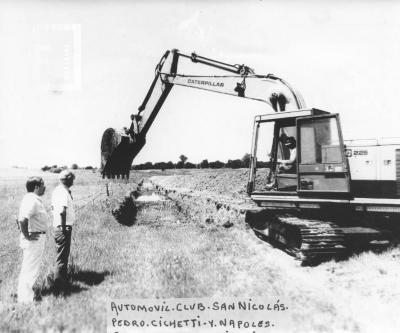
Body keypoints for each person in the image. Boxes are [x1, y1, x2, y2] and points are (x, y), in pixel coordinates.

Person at [17, 177, 49, 303]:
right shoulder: (31, 200)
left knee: (31, 268)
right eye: (42, 184)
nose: (44, 187)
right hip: (34, 239)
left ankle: (25, 297)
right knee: (30, 269)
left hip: (37, 238)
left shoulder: (33, 199)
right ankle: (25, 300)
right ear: (36, 187)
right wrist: (27, 236)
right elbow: (22, 219)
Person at [51, 170, 75, 286]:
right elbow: (62, 211)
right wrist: (64, 228)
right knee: (62, 257)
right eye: (72, 179)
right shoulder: (62, 192)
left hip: (59, 226)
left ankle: (61, 280)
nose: (73, 181)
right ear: (69, 179)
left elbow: (53, 208)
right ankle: (59, 284)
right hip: (62, 228)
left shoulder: (58, 190)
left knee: (62, 256)